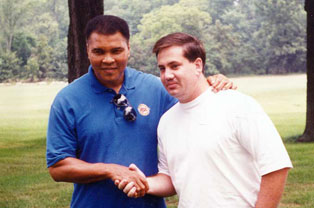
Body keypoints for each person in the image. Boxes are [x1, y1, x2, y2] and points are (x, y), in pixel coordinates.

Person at [46, 15, 235, 208]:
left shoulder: (155, 89)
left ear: (129, 49)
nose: (108, 59)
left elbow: (194, 106)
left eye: (116, 50)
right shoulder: (67, 100)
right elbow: (58, 167)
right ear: (87, 50)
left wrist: (212, 82)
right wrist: (110, 170)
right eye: (99, 51)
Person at [117, 32, 293, 208]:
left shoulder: (237, 105)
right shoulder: (166, 122)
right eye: (162, 68)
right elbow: (170, 178)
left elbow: (276, 166)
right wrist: (144, 183)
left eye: (175, 66)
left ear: (198, 65)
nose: (167, 75)